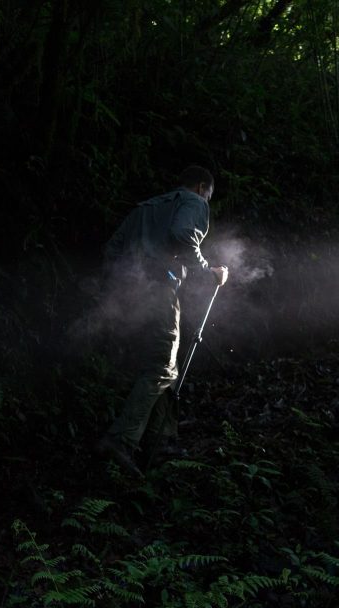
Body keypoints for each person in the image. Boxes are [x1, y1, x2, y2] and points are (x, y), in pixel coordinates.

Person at [96, 165, 228, 477]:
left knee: (160, 364)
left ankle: (160, 442)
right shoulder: (194, 203)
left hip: (131, 294)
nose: (206, 202)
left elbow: (112, 249)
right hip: (158, 290)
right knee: (163, 366)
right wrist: (208, 271)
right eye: (208, 196)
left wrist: (121, 289)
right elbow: (183, 235)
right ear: (200, 188)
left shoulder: (147, 208)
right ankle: (121, 440)